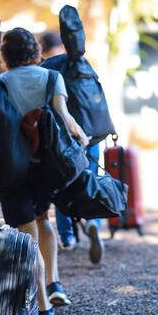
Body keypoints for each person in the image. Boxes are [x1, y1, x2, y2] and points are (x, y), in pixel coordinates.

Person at [0, 28, 88, 315]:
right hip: (45, 167)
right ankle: (54, 282)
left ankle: (45, 310)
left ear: (5, 57)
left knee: (26, 236)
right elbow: (65, 117)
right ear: (35, 52)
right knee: (43, 220)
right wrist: (81, 137)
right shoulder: (51, 78)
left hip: (11, 170)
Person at [40, 31, 105, 264]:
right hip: (91, 136)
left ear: (41, 47)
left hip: (62, 141)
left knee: (61, 187)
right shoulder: (81, 64)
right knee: (89, 182)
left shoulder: (46, 68)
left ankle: (68, 237)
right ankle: (93, 224)